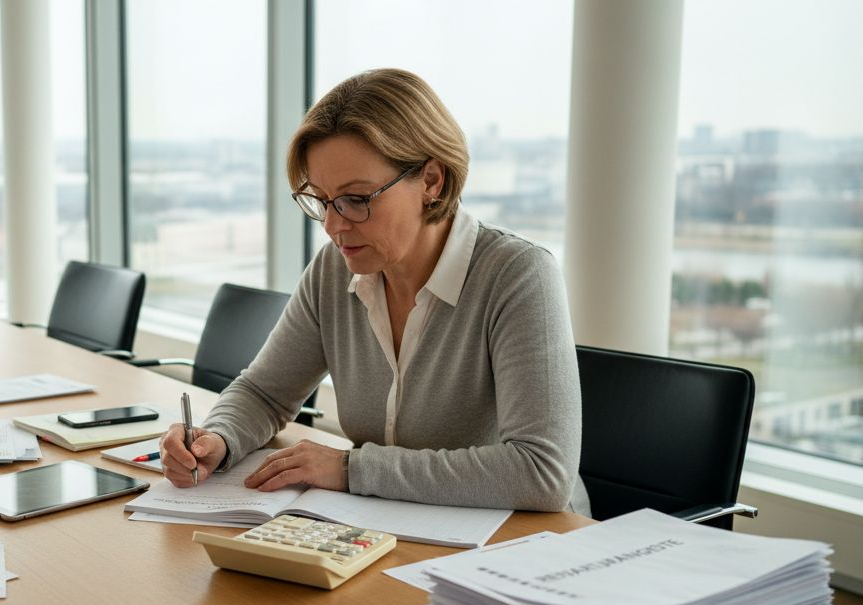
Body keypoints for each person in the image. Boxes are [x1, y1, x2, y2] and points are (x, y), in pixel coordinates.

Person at [159, 68, 587, 515]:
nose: (332, 225)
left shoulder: (517, 275)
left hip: (520, 544)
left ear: (431, 181)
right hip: (397, 527)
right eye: (322, 200)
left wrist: (350, 469)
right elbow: (264, 393)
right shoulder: (334, 269)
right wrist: (218, 438)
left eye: (356, 199)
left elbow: (542, 471)